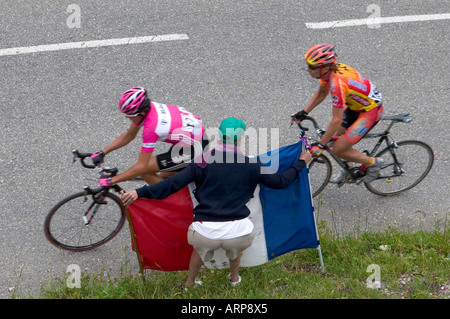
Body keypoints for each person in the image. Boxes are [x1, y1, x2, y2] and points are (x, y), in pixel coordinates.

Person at [121, 117, 312, 288]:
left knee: (199, 250)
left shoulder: (200, 162)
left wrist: (139, 192)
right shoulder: (252, 165)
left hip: (204, 234)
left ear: (220, 137)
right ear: (240, 138)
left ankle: (190, 283)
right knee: (235, 247)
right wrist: (301, 162)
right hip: (238, 233)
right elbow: (281, 182)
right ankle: (234, 278)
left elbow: (171, 185)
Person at [292, 44, 384, 183]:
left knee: (339, 148)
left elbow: (336, 120)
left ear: (324, 67)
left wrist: (321, 145)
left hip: (369, 111)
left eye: (312, 67)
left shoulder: (337, 84)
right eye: (308, 65)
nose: (308, 69)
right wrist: (303, 112)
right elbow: (322, 93)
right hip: (356, 106)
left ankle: (374, 163)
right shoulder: (328, 72)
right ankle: (349, 167)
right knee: (336, 139)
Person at [91, 87, 208, 186]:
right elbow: (129, 135)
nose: (127, 118)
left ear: (141, 113)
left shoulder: (152, 127)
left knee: (146, 171)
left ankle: (173, 202)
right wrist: (103, 152)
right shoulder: (150, 108)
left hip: (195, 148)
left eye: (128, 115)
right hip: (192, 140)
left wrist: (112, 180)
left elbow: (141, 166)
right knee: (163, 175)